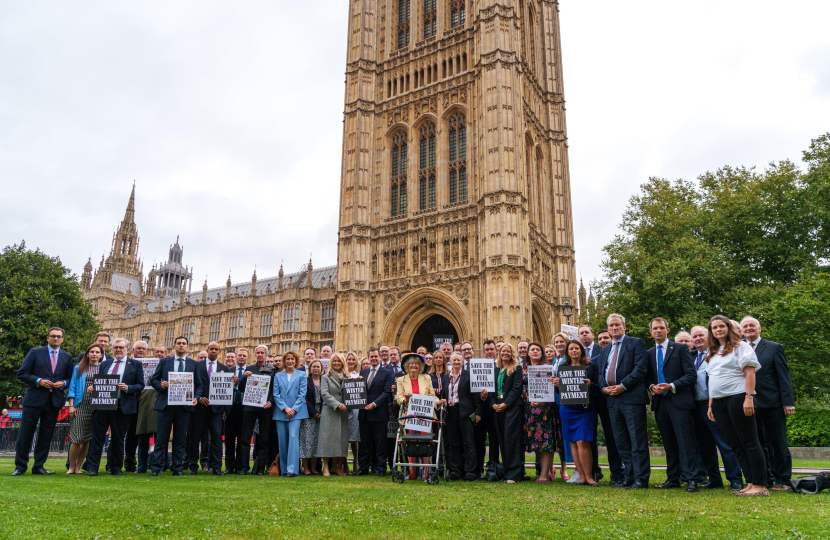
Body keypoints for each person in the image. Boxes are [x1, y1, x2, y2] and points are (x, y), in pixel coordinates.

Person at [705, 315, 767, 496]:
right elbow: (713, 380)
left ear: (728, 328)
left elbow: (750, 373)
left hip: (738, 397)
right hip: (719, 401)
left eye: (721, 326)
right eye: (714, 328)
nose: (718, 330)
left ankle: (760, 485)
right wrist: (710, 405)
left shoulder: (741, 347)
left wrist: (749, 397)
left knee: (749, 441)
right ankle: (750, 483)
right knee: (735, 444)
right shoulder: (713, 352)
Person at [741, 316, 794, 492]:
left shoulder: (773, 348)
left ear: (759, 328)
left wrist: (787, 402)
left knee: (778, 442)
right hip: (750, 405)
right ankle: (767, 478)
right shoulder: (739, 349)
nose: (748, 328)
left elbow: (783, 377)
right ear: (741, 330)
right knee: (758, 443)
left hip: (772, 404)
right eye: (745, 326)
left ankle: (783, 479)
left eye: (751, 326)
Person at [13, 327, 74, 476]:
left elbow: (69, 378)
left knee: (46, 436)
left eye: (59, 337)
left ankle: (38, 466)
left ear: (62, 340)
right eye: (53, 336)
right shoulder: (35, 352)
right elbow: (22, 373)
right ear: (47, 338)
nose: (56, 339)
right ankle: (20, 467)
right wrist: (38, 381)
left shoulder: (67, 357)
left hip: (53, 402)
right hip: (34, 400)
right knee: (25, 434)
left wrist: (63, 384)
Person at [599, 314, 651, 489]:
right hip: (612, 401)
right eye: (611, 325)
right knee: (621, 442)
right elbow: (601, 373)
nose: (614, 328)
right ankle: (629, 476)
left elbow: (640, 369)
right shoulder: (605, 349)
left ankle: (640, 478)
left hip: (631, 398)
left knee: (637, 440)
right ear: (608, 329)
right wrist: (603, 388)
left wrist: (622, 386)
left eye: (617, 325)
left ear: (624, 327)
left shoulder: (636, 343)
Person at [646, 318, 698, 492]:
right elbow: (647, 377)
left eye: (662, 328)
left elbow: (691, 375)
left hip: (679, 401)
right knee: (668, 443)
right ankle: (673, 478)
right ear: (650, 332)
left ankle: (691, 479)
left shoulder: (681, 348)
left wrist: (672, 386)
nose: (658, 331)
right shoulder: (649, 353)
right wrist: (651, 386)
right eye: (655, 328)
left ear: (667, 331)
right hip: (660, 403)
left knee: (685, 442)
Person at [689, 326, 744, 491]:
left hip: (714, 405)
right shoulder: (691, 357)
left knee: (724, 444)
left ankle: (735, 479)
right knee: (704, 446)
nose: (698, 338)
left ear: (709, 337)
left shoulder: (717, 354)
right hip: (696, 407)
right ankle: (714, 479)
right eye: (695, 336)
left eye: (701, 335)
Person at [85, 338, 144, 476]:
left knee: (118, 438)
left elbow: (140, 385)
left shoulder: (135, 364)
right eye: (116, 347)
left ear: (127, 349)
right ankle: (93, 467)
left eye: (121, 347)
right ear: (112, 349)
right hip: (102, 404)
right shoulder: (105, 364)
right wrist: (92, 388)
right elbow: (99, 381)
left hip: (121, 405)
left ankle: (116, 467)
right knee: (97, 437)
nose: (118, 350)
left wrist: (128, 387)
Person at [149, 336, 203, 477]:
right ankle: (156, 468)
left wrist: (196, 398)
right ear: (174, 346)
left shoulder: (194, 364)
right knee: (161, 439)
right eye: (178, 343)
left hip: (184, 406)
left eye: (183, 344)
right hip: (166, 405)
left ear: (187, 347)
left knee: (180, 440)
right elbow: (153, 379)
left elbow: (199, 385)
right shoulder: (165, 362)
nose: (181, 346)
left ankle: (177, 468)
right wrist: (160, 385)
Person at [579, 325, 622, 484]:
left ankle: (617, 473)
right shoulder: (589, 357)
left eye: (606, 338)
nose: (604, 341)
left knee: (612, 438)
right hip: (591, 402)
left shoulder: (612, 354)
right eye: (601, 338)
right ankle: (593, 471)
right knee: (589, 439)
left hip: (609, 401)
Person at [552, 340, 599, 486]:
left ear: (581, 351)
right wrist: (556, 386)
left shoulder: (591, 366)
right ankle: (581, 477)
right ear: (567, 352)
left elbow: (599, 385)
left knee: (583, 441)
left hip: (585, 408)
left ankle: (589, 476)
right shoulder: (563, 367)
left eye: (576, 348)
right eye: (571, 349)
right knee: (573, 441)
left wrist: (591, 385)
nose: (574, 351)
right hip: (568, 409)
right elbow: (560, 391)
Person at [482, 343, 524, 483]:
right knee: (502, 440)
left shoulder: (517, 368)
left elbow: (517, 388)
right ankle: (506, 471)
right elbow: (491, 389)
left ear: (512, 353)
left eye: (508, 351)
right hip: (497, 408)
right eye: (503, 351)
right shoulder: (496, 369)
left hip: (511, 408)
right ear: (499, 353)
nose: (505, 353)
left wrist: (506, 404)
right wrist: (493, 403)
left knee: (511, 440)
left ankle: (514, 474)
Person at [188, 342, 231, 476]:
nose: (213, 351)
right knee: (195, 439)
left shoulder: (224, 368)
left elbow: (226, 391)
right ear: (207, 350)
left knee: (217, 439)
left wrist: (225, 410)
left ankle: (217, 468)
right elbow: (192, 384)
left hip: (216, 410)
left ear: (219, 351)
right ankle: (193, 467)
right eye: (211, 349)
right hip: (199, 408)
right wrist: (198, 398)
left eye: (216, 349)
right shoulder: (197, 366)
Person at [396, 353, 441, 481]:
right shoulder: (401, 380)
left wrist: (437, 402)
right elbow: (398, 397)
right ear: (407, 366)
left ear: (420, 366)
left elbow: (432, 395)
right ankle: (412, 473)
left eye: (416, 364)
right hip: (408, 416)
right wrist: (405, 399)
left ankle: (426, 474)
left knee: (425, 443)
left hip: (424, 416)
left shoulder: (426, 378)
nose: (414, 366)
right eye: (411, 364)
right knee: (410, 443)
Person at [66, 344, 105, 474]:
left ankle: (78, 467)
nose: (94, 354)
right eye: (92, 352)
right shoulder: (78, 368)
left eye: (97, 352)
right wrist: (71, 406)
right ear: (87, 354)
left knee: (87, 440)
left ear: (101, 355)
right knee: (77, 439)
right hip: (80, 406)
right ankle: (71, 467)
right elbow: (72, 388)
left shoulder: (103, 370)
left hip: (95, 407)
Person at [355, 348, 393, 477]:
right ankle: (363, 468)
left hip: (379, 413)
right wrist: (356, 382)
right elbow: (357, 390)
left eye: (376, 356)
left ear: (380, 357)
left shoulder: (387, 373)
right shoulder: (363, 372)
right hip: (364, 414)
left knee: (380, 443)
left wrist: (374, 404)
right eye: (371, 357)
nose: (374, 359)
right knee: (364, 443)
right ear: (369, 358)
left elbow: (387, 392)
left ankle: (381, 468)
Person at [239, 345, 276, 475]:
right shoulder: (249, 369)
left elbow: (273, 390)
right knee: (245, 438)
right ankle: (243, 467)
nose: (260, 355)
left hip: (265, 408)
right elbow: (242, 389)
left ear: (266, 355)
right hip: (249, 407)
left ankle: (260, 468)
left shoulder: (273, 370)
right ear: (255, 355)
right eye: (258, 353)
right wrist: (244, 378)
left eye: (262, 353)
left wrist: (271, 402)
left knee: (264, 439)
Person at [523, 342, 556, 482]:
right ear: (528, 353)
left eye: (538, 350)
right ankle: (543, 472)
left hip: (544, 409)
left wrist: (543, 401)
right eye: (532, 350)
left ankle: (544, 474)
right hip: (528, 410)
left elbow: (551, 390)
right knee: (537, 442)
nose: (535, 352)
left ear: (541, 353)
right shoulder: (524, 369)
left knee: (545, 442)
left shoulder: (546, 368)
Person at [443, 352, 478, 481]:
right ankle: (455, 471)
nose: (456, 362)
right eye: (454, 360)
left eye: (459, 360)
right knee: (453, 444)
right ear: (450, 362)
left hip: (465, 412)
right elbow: (443, 395)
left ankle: (470, 472)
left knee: (468, 443)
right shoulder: (446, 378)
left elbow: (475, 396)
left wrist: (477, 413)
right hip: (451, 413)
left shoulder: (469, 376)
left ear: (463, 362)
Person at [273, 350, 308, 477]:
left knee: (293, 438)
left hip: (296, 412)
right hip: (281, 412)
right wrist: (285, 408)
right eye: (288, 359)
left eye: (292, 359)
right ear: (284, 361)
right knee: (282, 441)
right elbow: (275, 394)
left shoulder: (302, 375)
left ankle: (292, 469)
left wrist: (293, 409)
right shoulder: (278, 376)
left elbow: (302, 394)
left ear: (296, 361)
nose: (290, 361)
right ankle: (283, 469)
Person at [318, 353, 350, 476]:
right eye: (335, 361)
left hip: (343, 412)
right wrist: (337, 404)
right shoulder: (326, 377)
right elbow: (324, 394)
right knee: (327, 439)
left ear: (342, 363)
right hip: (330, 411)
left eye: (339, 361)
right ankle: (326, 467)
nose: (337, 363)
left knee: (340, 440)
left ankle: (336, 467)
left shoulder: (347, 378)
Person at [473, 339, 500, 478]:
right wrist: (483, 397)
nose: (489, 352)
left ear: (496, 351)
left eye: (491, 349)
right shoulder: (477, 367)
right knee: (479, 440)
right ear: (483, 352)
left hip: (496, 410)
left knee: (495, 441)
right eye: (487, 350)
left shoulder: (500, 368)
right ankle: (478, 470)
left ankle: (493, 468)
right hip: (481, 410)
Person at [225, 349, 248, 474]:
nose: (241, 358)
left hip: (244, 409)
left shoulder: (251, 372)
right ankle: (229, 467)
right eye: (239, 355)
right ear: (236, 357)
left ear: (247, 358)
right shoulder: (227, 372)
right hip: (231, 408)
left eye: (244, 356)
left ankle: (240, 467)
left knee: (242, 439)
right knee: (229, 440)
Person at [550, 333, 570, 481]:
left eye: (561, 341)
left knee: (567, 436)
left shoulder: (569, 359)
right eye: (556, 342)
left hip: (566, 401)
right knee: (558, 436)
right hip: (554, 401)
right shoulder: (555, 360)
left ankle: (565, 469)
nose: (558, 344)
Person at [300, 359, 323, 475]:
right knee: (306, 442)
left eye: (318, 367)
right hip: (309, 415)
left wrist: (321, 413)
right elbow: (303, 398)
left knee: (316, 443)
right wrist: (313, 412)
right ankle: (306, 468)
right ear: (310, 368)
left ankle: (314, 468)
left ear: (321, 369)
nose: (316, 369)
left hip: (322, 415)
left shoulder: (324, 381)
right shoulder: (306, 380)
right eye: (314, 366)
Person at [345, 352, 361, 473]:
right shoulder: (342, 374)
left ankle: (356, 462)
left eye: (353, 359)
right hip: (343, 409)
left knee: (355, 438)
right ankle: (344, 464)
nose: (351, 361)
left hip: (355, 409)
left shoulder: (359, 375)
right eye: (349, 359)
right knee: (343, 438)